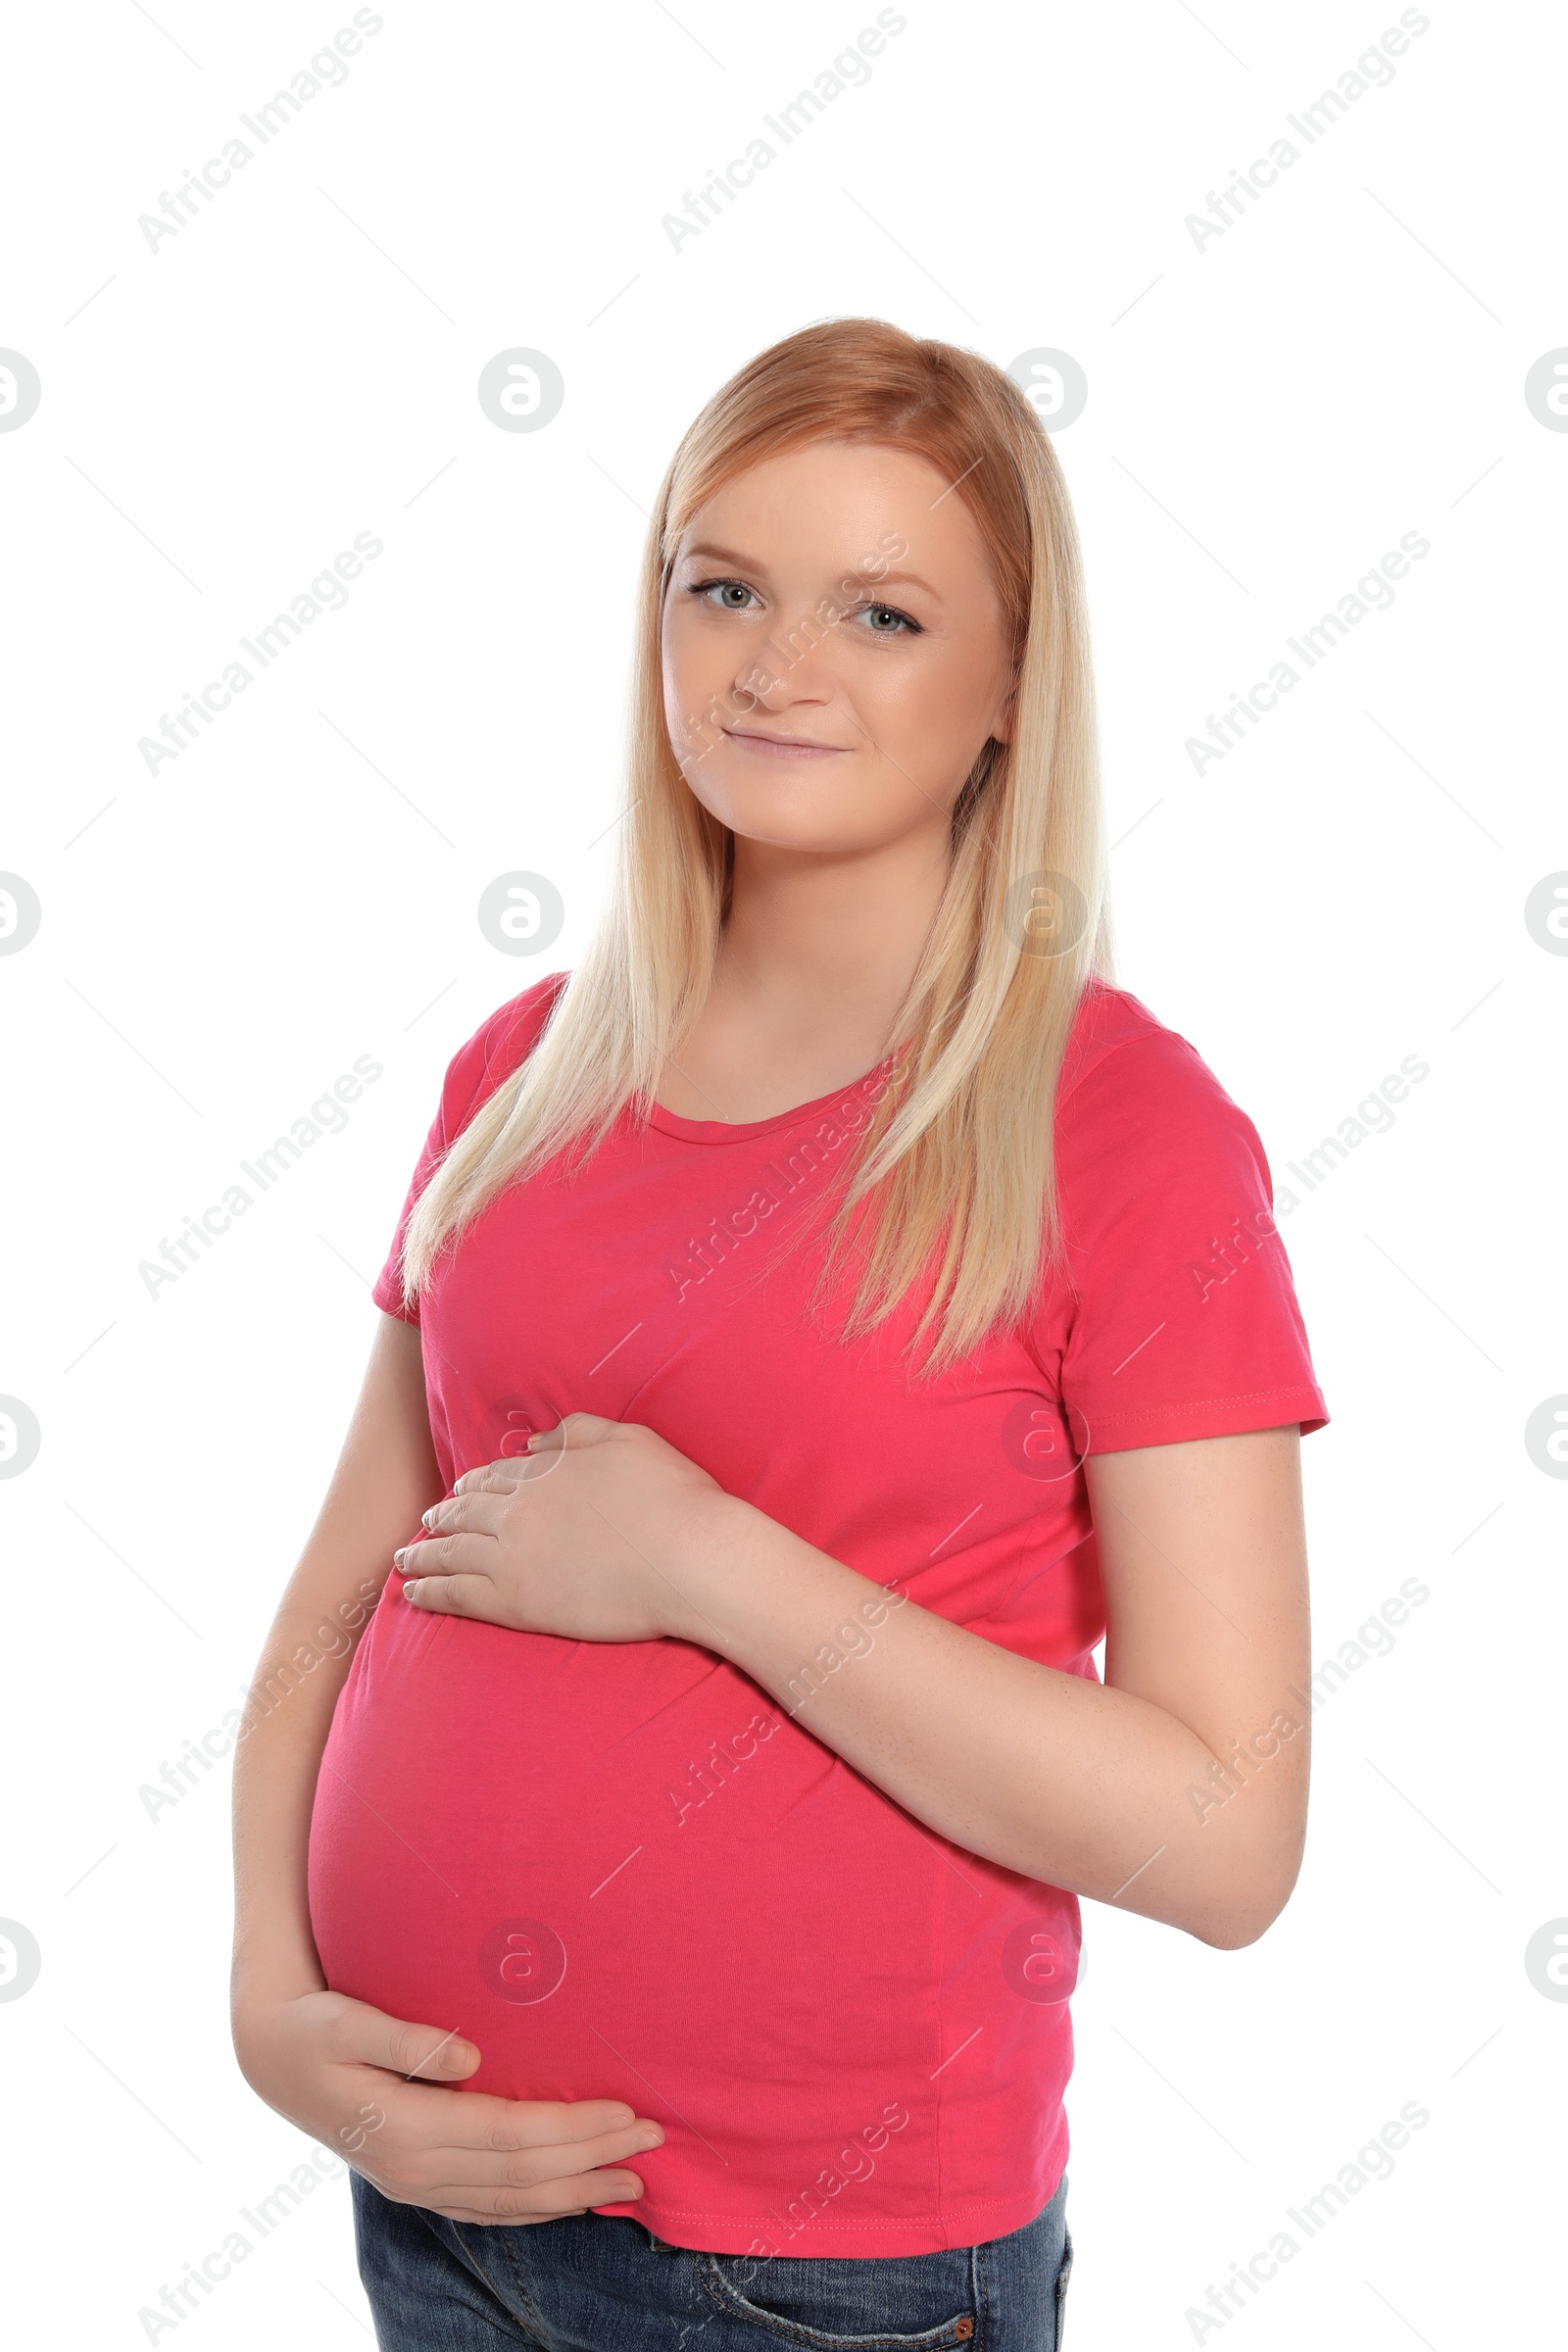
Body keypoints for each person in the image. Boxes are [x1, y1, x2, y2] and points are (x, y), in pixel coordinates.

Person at [231, 318, 1327, 2351]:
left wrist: (706, 1565)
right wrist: (268, 2011)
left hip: (814, 2267)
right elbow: (331, 1599)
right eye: (717, 584)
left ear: (1008, 685)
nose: (769, 668)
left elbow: (1221, 1830)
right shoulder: (523, 1071)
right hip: (429, 2202)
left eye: (880, 613)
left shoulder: (1114, 1127)